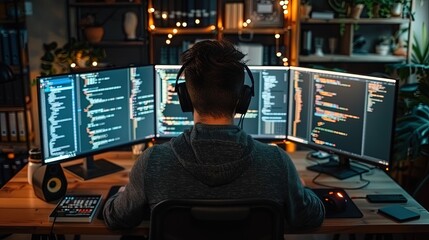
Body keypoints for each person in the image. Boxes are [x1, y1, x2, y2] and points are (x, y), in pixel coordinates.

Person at [103, 39, 325, 230]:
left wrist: (126, 193)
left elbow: (116, 218)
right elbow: (311, 217)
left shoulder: (152, 162)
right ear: (243, 100)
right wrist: (300, 190)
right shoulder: (278, 163)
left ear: (186, 99)